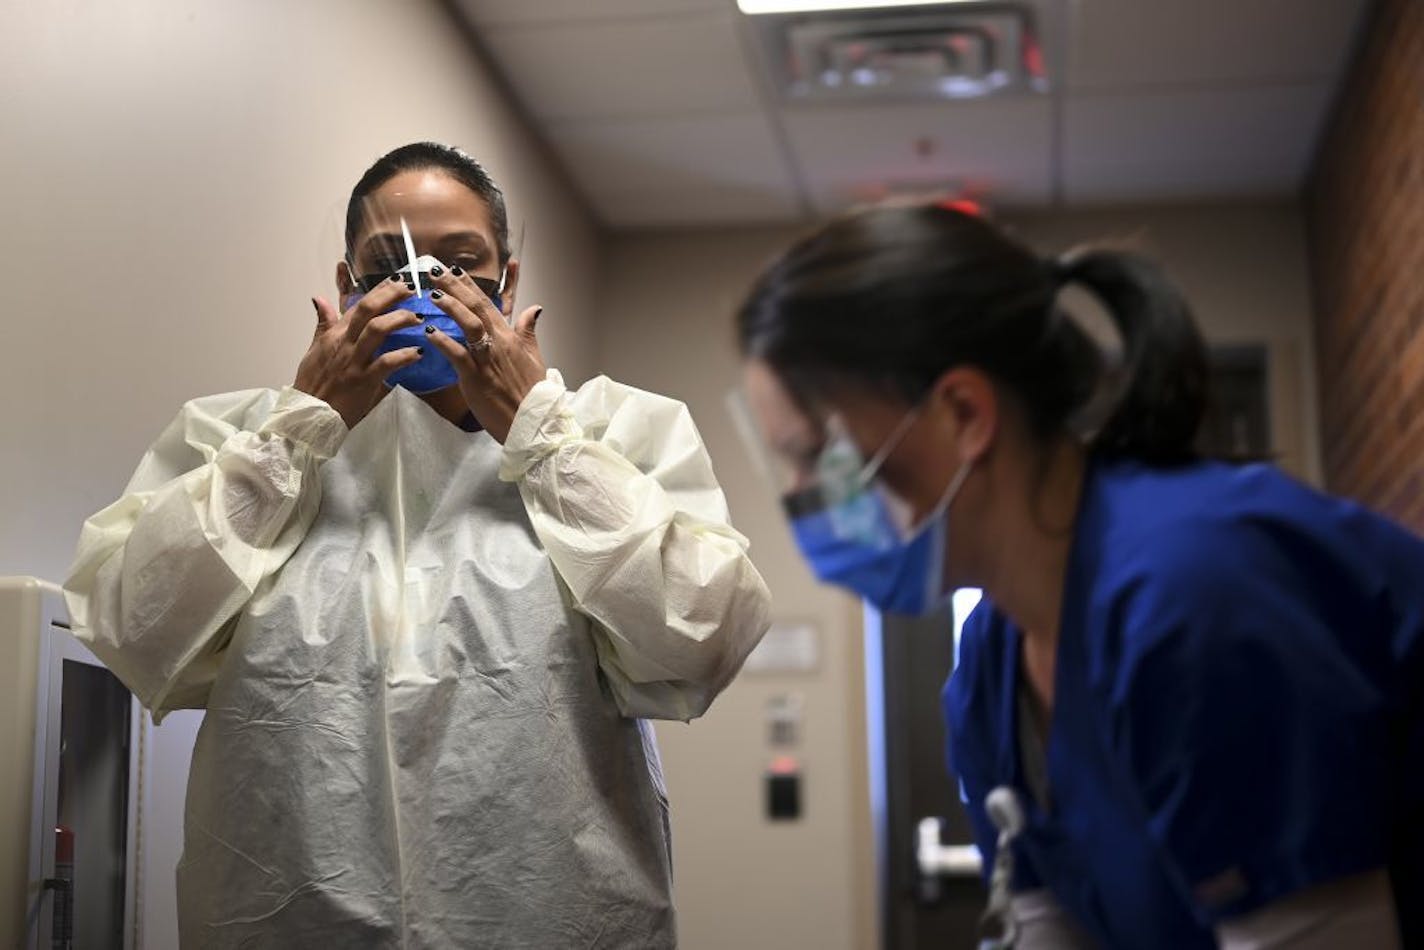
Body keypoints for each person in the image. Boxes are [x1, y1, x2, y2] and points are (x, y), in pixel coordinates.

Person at [65, 141, 772, 948]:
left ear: (509, 283)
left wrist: (541, 439)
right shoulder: (239, 438)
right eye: (390, 264)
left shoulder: (620, 433)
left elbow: (702, 635)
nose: (427, 287)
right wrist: (294, 436)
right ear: (344, 287)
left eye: (460, 263)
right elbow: (128, 624)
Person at [733, 202, 1423, 948]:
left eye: (815, 454)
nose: (806, 498)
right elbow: (1045, 926)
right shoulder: (994, 665)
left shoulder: (1191, 589)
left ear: (963, 412)